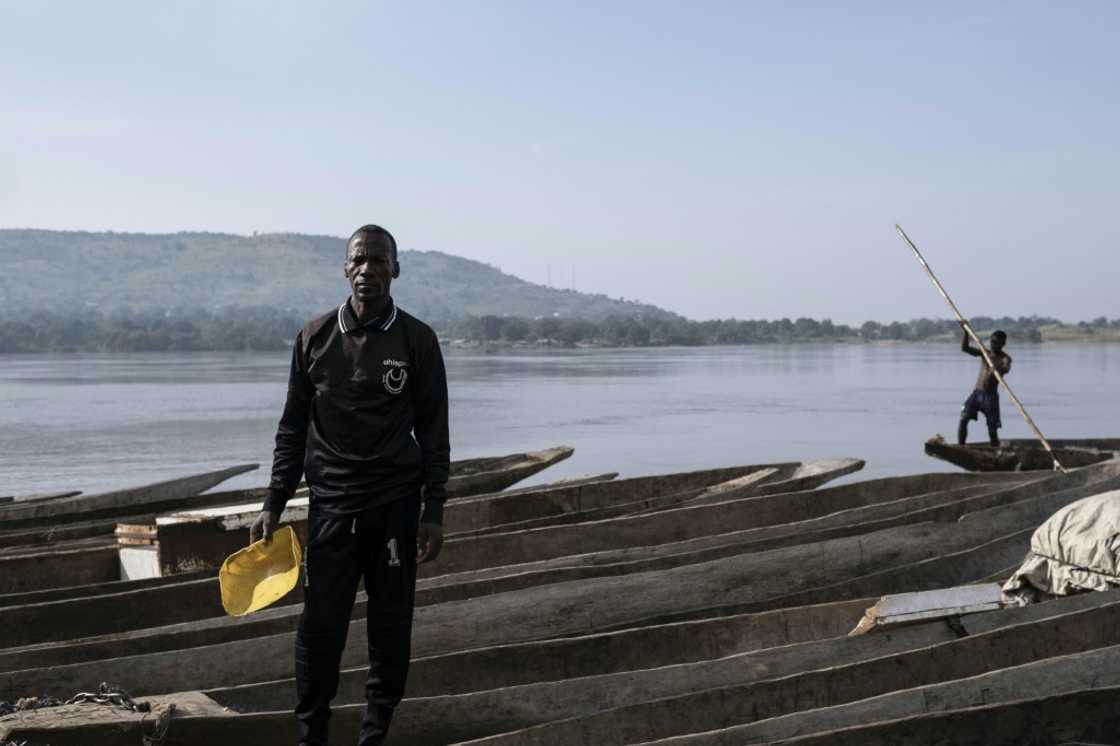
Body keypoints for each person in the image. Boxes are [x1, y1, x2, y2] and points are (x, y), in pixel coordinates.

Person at [250, 224, 449, 746]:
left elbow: (434, 433)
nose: (368, 270)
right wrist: (273, 501)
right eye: (359, 260)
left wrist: (434, 511)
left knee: (390, 632)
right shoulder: (314, 337)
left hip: (394, 510)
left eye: (379, 261)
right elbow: (292, 428)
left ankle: (373, 735)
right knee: (320, 631)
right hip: (331, 510)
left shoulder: (417, 340)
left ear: (395, 270)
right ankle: (312, 735)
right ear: (345, 269)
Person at [958, 324, 1011, 447]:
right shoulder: (984, 353)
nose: (993, 344)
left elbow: (1005, 369)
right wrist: (966, 332)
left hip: (990, 398)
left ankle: (995, 450)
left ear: (1003, 344)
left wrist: (995, 367)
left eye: (996, 342)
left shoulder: (1005, 358)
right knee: (963, 418)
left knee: (992, 431)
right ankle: (961, 447)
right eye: (992, 341)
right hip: (977, 394)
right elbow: (965, 348)